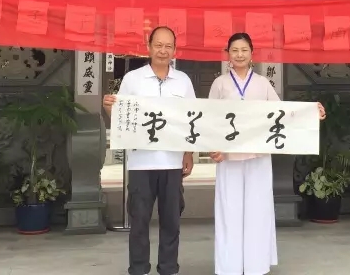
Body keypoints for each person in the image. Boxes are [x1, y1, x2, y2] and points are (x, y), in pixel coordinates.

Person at [208, 32, 326, 275]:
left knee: (257, 210)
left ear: (252, 54)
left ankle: (256, 265)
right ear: (227, 54)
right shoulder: (220, 83)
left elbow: (281, 113)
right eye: (234, 50)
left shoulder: (262, 83)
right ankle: (229, 266)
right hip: (228, 158)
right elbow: (210, 118)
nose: (239, 55)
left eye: (244, 50)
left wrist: (310, 113)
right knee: (229, 210)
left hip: (258, 156)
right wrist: (214, 147)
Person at [102, 26, 195, 275]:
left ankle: (168, 268)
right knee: (139, 222)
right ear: (149, 46)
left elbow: (190, 120)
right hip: (141, 163)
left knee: (171, 222)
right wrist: (111, 109)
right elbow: (123, 118)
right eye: (158, 45)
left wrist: (188, 153)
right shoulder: (133, 79)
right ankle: (139, 269)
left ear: (175, 50)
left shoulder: (183, 81)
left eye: (168, 46)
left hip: (172, 163)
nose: (163, 50)